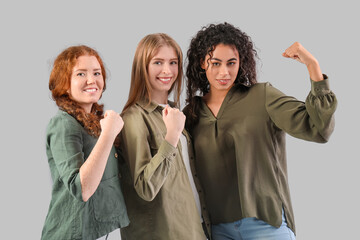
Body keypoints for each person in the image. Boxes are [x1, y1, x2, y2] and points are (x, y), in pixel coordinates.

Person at [184, 22, 337, 240]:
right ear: (202, 63)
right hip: (216, 231)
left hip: (266, 226)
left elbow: (318, 128)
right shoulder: (190, 114)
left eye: (231, 63)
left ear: (241, 62)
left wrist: (312, 65)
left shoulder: (262, 96)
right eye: (215, 63)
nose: (224, 72)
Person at [119, 33, 211, 239]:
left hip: (194, 228)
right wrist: (172, 136)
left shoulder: (175, 112)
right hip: (163, 233)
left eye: (173, 62)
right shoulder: (134, 117)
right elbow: (145, 186)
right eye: (158, 62)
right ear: (142, 67)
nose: (167, 70)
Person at [41, 45, 129, 240]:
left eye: (97, 73)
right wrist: (108, 134)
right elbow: (82, 189)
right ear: (64, 84)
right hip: (72, 233)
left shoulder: (95, 121)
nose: (92, 80)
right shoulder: (63, 124)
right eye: (81, 74)